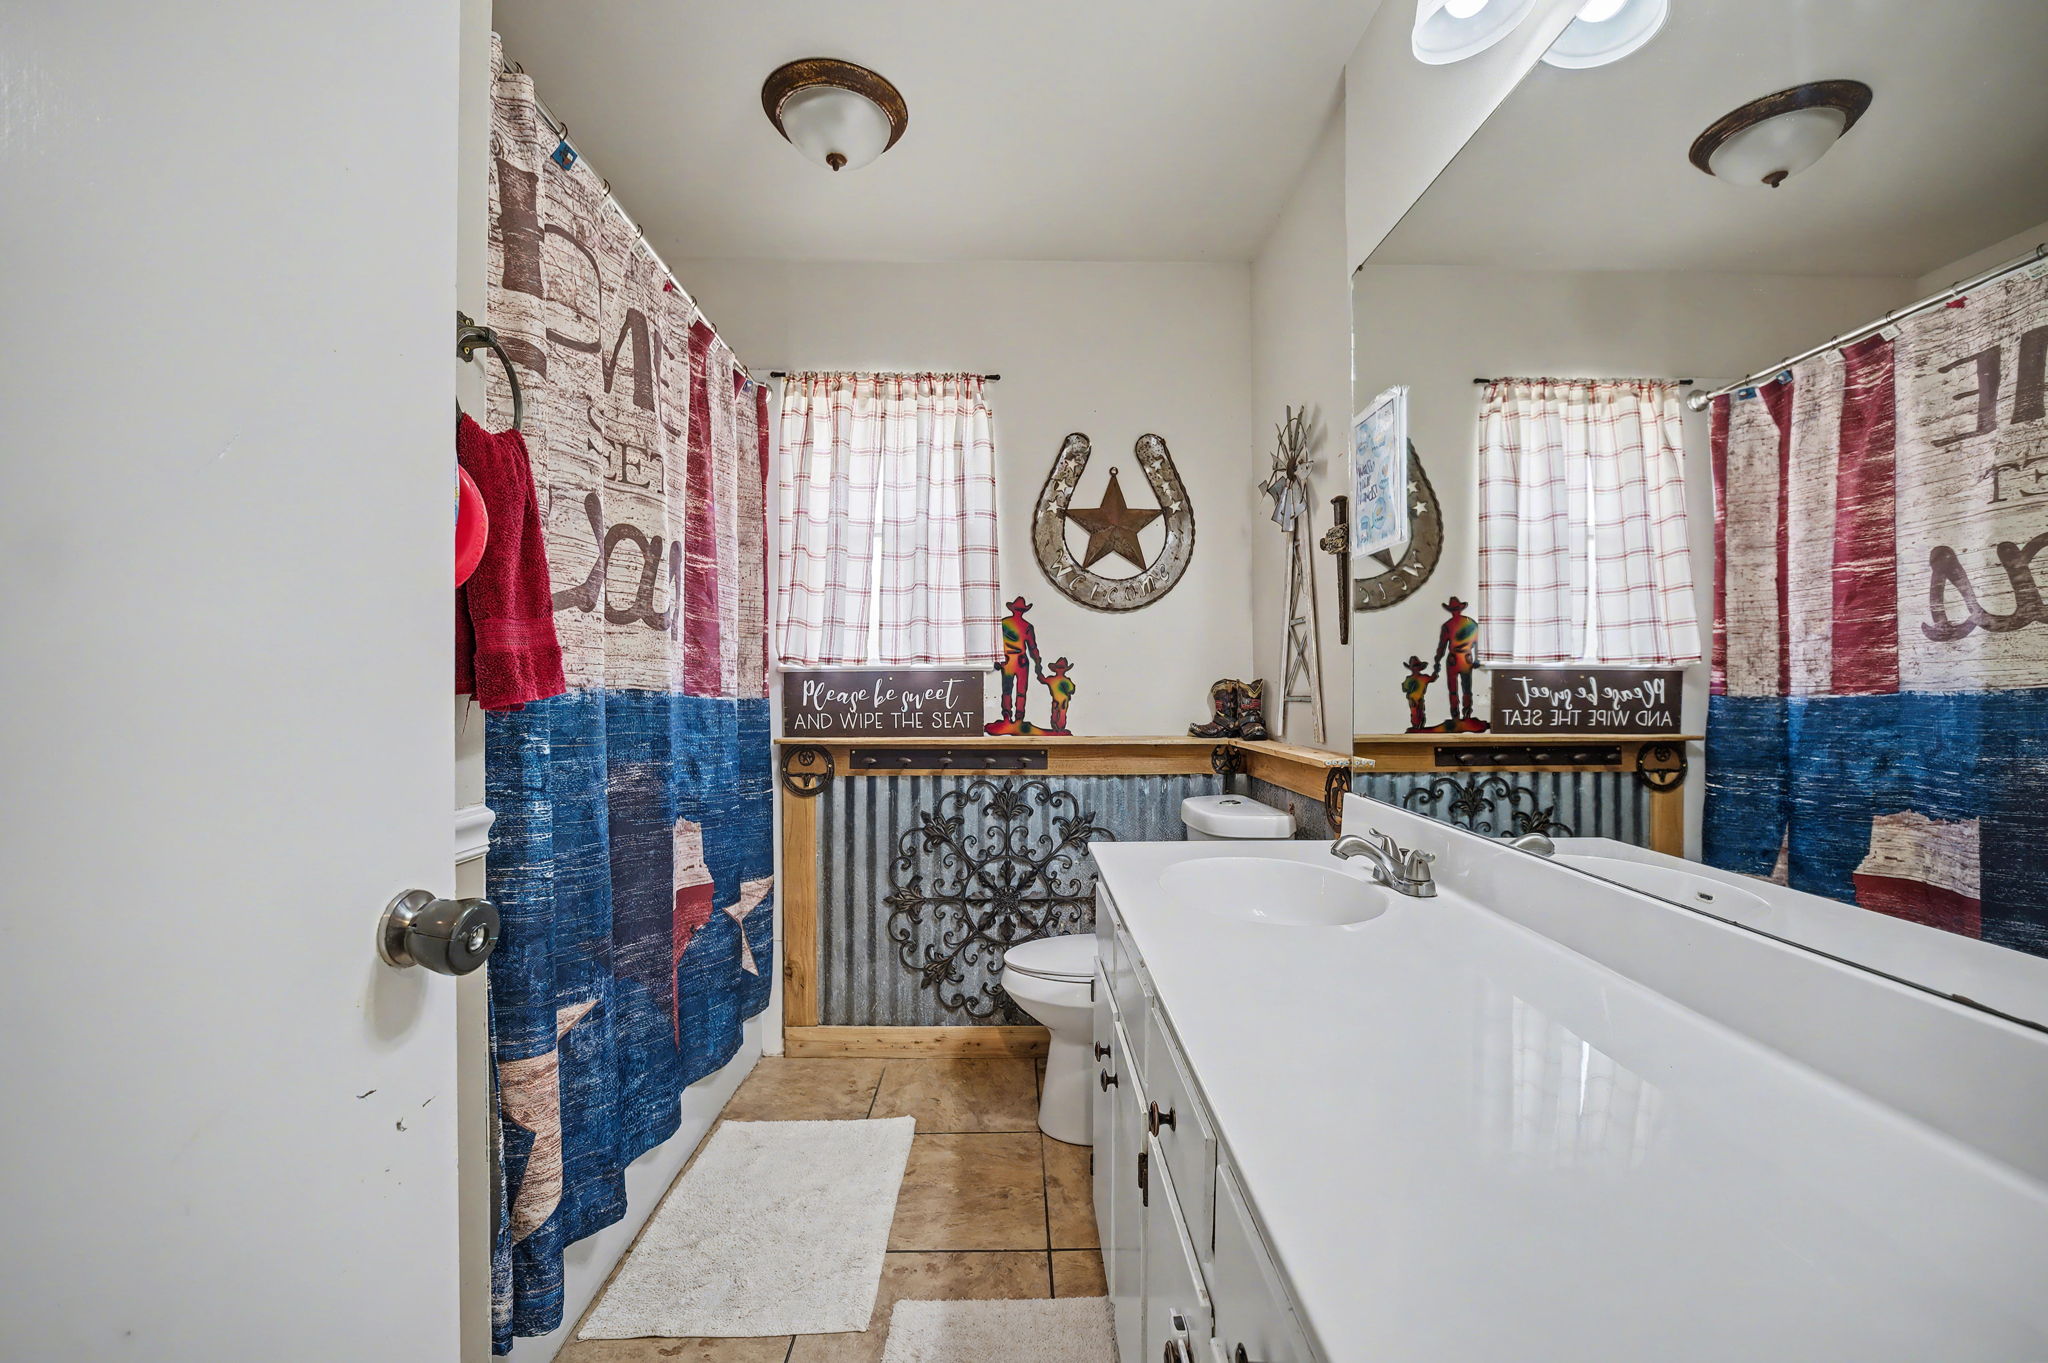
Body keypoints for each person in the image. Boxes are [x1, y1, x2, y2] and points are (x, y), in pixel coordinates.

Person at [995, 596, 1045, 724]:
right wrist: (1038, 663)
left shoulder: (1004, 623)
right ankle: (1019, 717)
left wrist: (996, 659)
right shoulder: (1027, 626)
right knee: (1021, 690)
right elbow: (1033, 647)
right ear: (1023, 611)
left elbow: (996, 643)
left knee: (1007, 689)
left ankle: (1007, 715)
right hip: (1021, 660)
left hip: (1007, 660)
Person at [1433, 596, 1479, 724]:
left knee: (1453, 689)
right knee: (1466, 688)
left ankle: (1456, 715)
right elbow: (1478, 642)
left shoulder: (1447, 625)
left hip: (1454, 659)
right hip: (1466, 658)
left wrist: (1437, 660)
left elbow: (1442, 646)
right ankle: (1467, 713)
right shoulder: (1471, 623)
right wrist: (1477, 658)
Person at [1400, 655, 1434, 732]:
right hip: (1412, 700)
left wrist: (1436, 671)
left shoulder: (1424, 677)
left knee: (1421, 713)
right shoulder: (1409, 679)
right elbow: (1404, 689)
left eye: (1417, 666)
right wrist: (1409, 698)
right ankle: (1416, 727)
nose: (1415, 668)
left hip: (1420, 699)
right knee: (1415, 714)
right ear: (1411, 668)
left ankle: (1420, 727)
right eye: (1414, 666)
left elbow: (1432, 678)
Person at [1042, 657, 1076, 733]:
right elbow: (1043, 679)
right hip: (1058, 701)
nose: (1060, 670)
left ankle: (1059, 729)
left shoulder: (1064, 680)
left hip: (1063, 701)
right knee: (1056, 714)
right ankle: (1056, 728)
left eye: (1061, 668)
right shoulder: (1054, 679)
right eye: (1059, 668)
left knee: (1061, 715)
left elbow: (1071, 690)